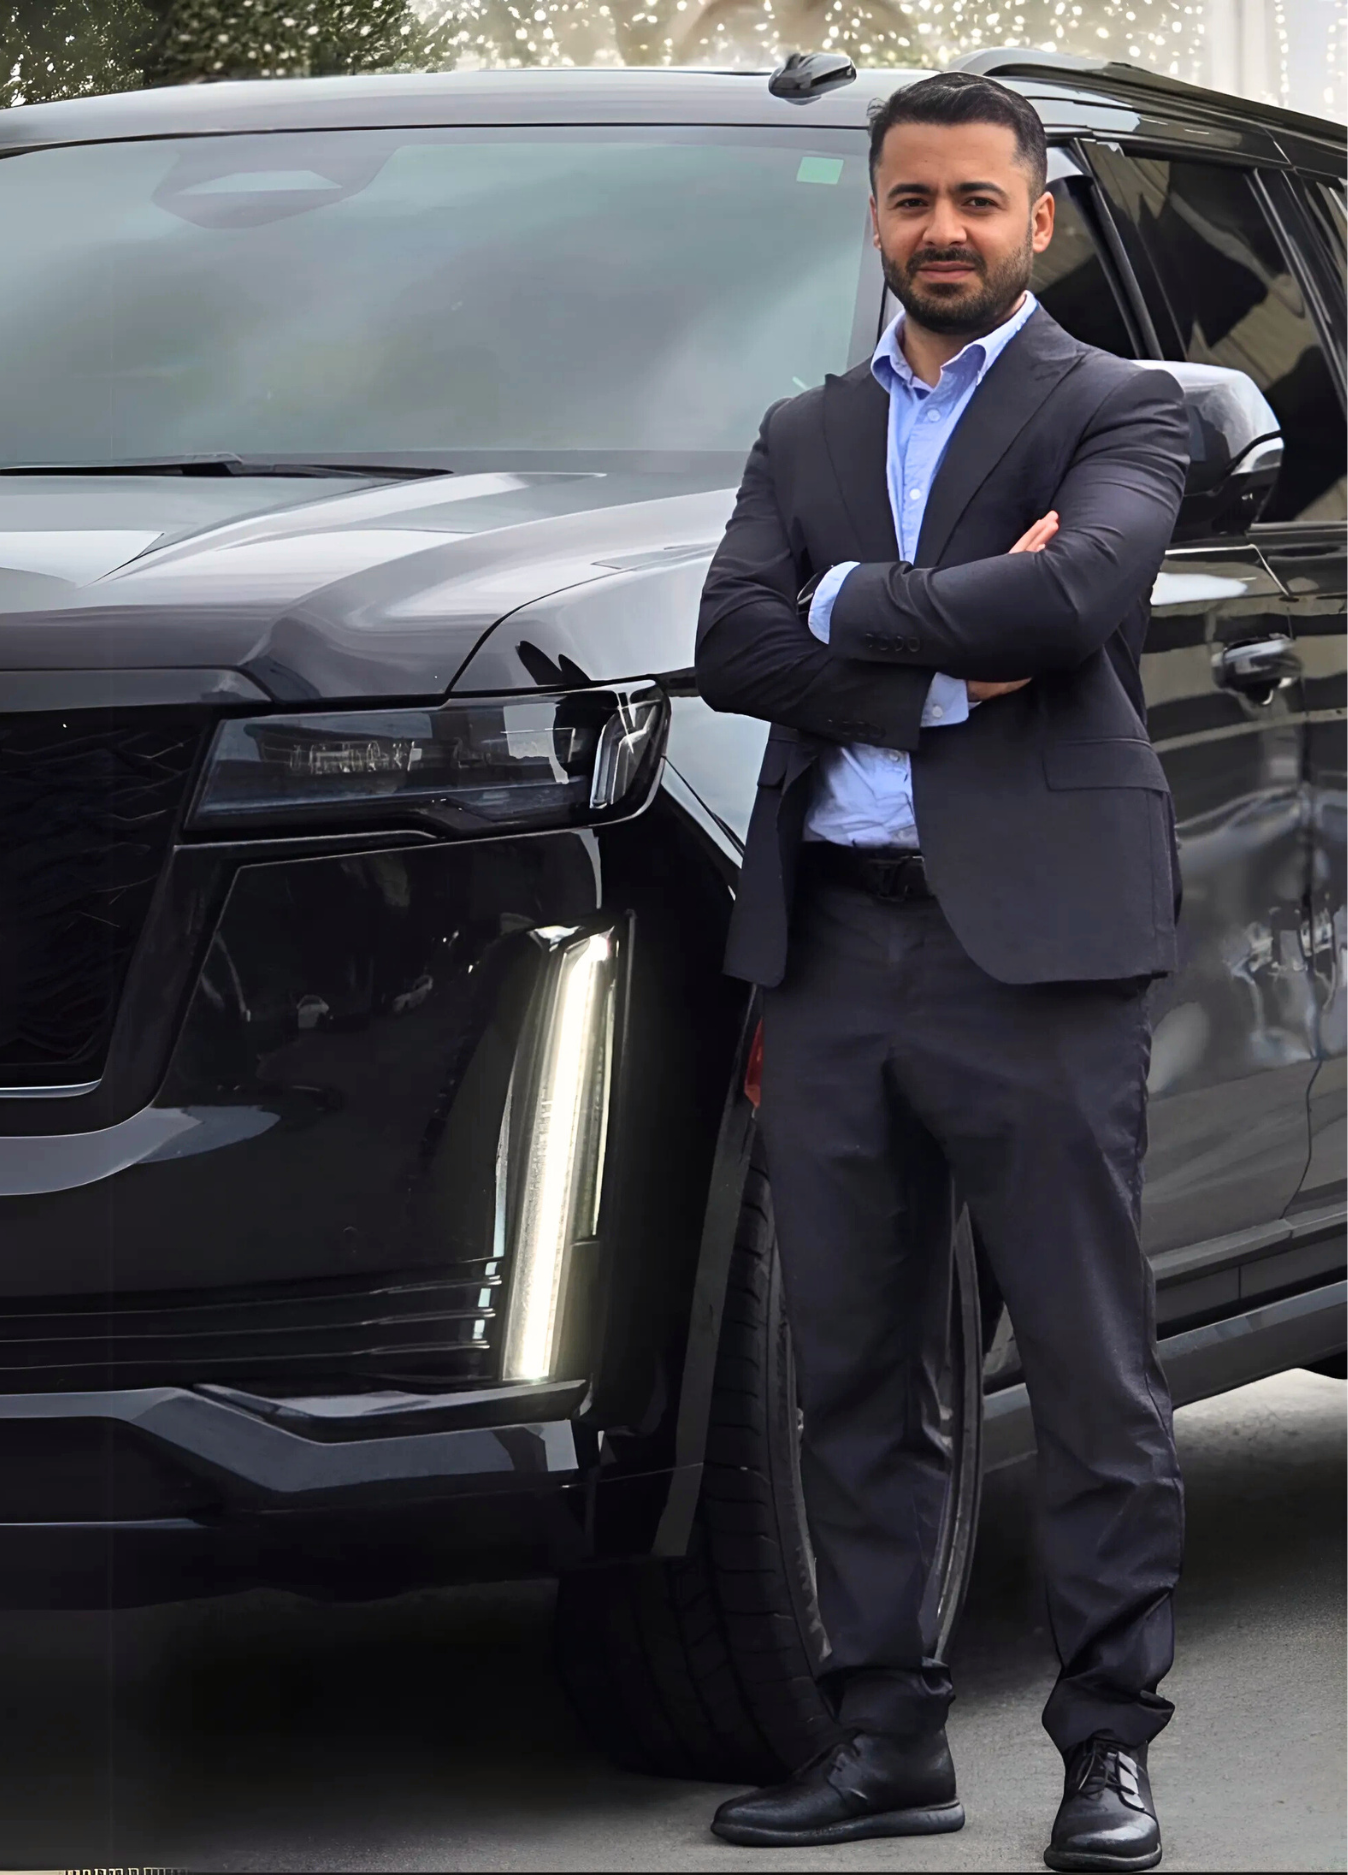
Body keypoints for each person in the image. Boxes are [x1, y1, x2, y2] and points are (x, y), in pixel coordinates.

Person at [694, 71, 1190, 1874]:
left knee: (1083, 1363)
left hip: (1038, 952)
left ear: (1036, 217)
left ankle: (1105, 1751)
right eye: (913, 202)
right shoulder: (801, 427)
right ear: (876, 218)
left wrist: (843, 605)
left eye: (979, 202)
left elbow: (1074, 610)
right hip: (831, 939)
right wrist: (911, 645)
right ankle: (885, 1739)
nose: (944, 232)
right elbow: (728, 638)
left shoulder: (1115, 406)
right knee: (853, 1368)